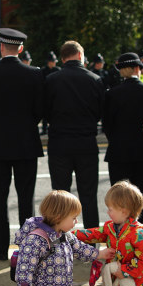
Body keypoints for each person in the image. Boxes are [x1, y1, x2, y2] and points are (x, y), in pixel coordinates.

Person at [0, 28, 43, 260]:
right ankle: (27, 247)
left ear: (2, 47)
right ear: (21, 49)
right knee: (26, 199)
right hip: (26, 144)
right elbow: (38, 112)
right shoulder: (34, 74)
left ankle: (0, 248)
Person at [44, 40, 105, 228]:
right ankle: (91, 240)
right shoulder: (95, 79)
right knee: (88, 195)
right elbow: (100, 112)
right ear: (81, 55)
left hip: (59, 142)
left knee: (61, 196)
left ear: (62, 58)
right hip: (85, 142)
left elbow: (44, 112)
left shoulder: (52, 80)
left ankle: (60, 241)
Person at [102, 52, 143, 224]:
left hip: (119, 152)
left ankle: (121, 239)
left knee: (119, 200)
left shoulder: (112, 94)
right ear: (137, 68)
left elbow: (107, 125)